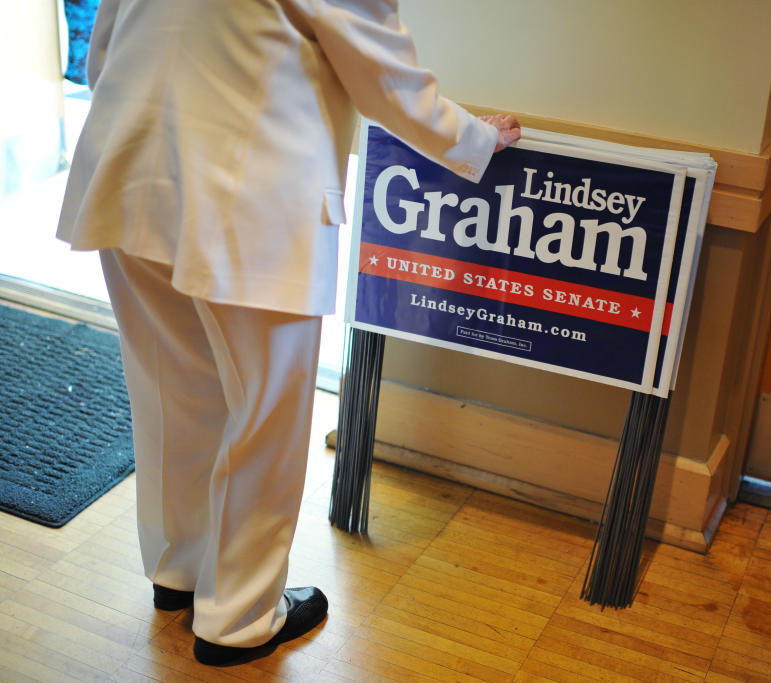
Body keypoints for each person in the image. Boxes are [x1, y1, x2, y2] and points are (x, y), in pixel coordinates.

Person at [56, 0, 520, 667]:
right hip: (249, 194)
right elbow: (383, 76)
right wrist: (473, 138)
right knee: (265, 410)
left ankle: (177, 569)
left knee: (169, 386)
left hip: (127, 159)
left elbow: (103, 47)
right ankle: (240, 617)